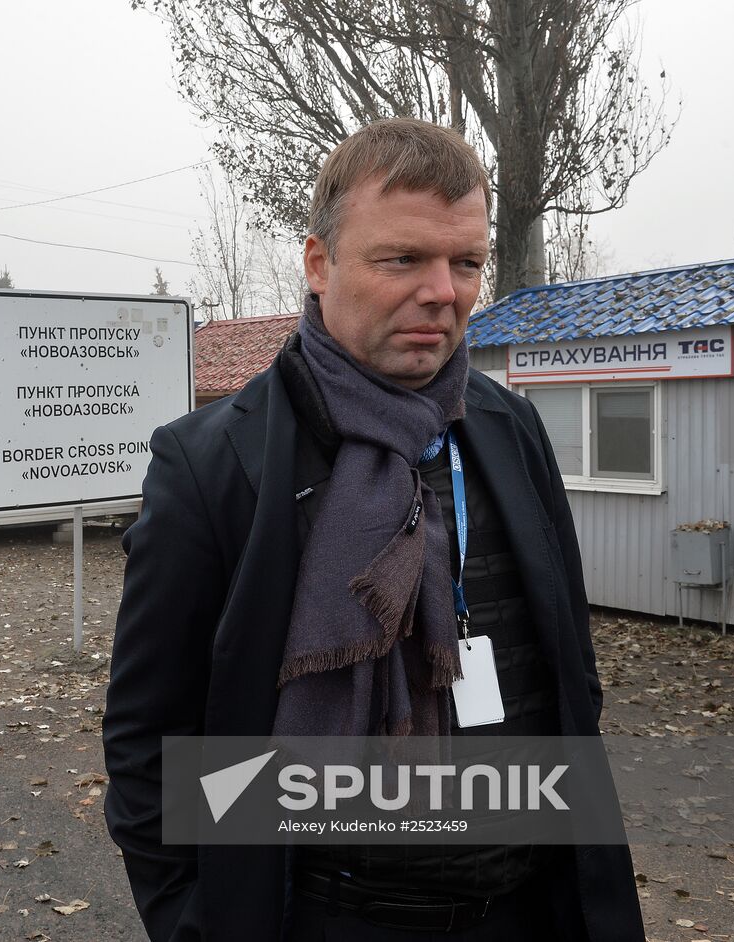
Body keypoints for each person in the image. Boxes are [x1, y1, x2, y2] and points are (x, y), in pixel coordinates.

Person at [102, 118, 644, 941]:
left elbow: (573, 668)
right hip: (330, 916)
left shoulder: (510, 429)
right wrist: (195, 921)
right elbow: (150, 742)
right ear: (320, 264)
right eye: (403, 259)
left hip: (534, 907)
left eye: (466, 262)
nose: (443, 291)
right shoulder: (213, 464)